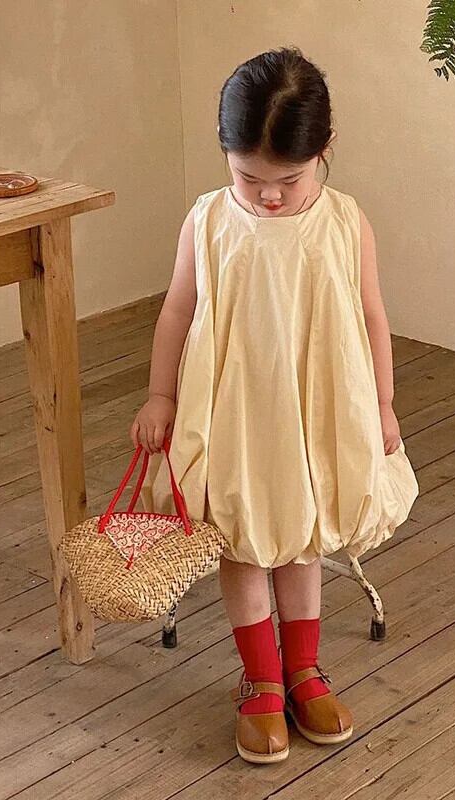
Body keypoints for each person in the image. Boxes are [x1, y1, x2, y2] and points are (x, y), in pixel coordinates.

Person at [130, 46, 419, 765]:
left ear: (325, 150)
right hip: (232, 409)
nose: (268, 197)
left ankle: (303, 670)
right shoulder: (207, 221)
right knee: (242, 532)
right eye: (248, 178)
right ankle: (260, 677)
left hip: (316, 407)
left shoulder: (345, 221)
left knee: (301, 531)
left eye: (288, 181)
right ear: (224, 153)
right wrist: (161, 393)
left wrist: (383, 403)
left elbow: (372, 315)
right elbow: (177, 311)